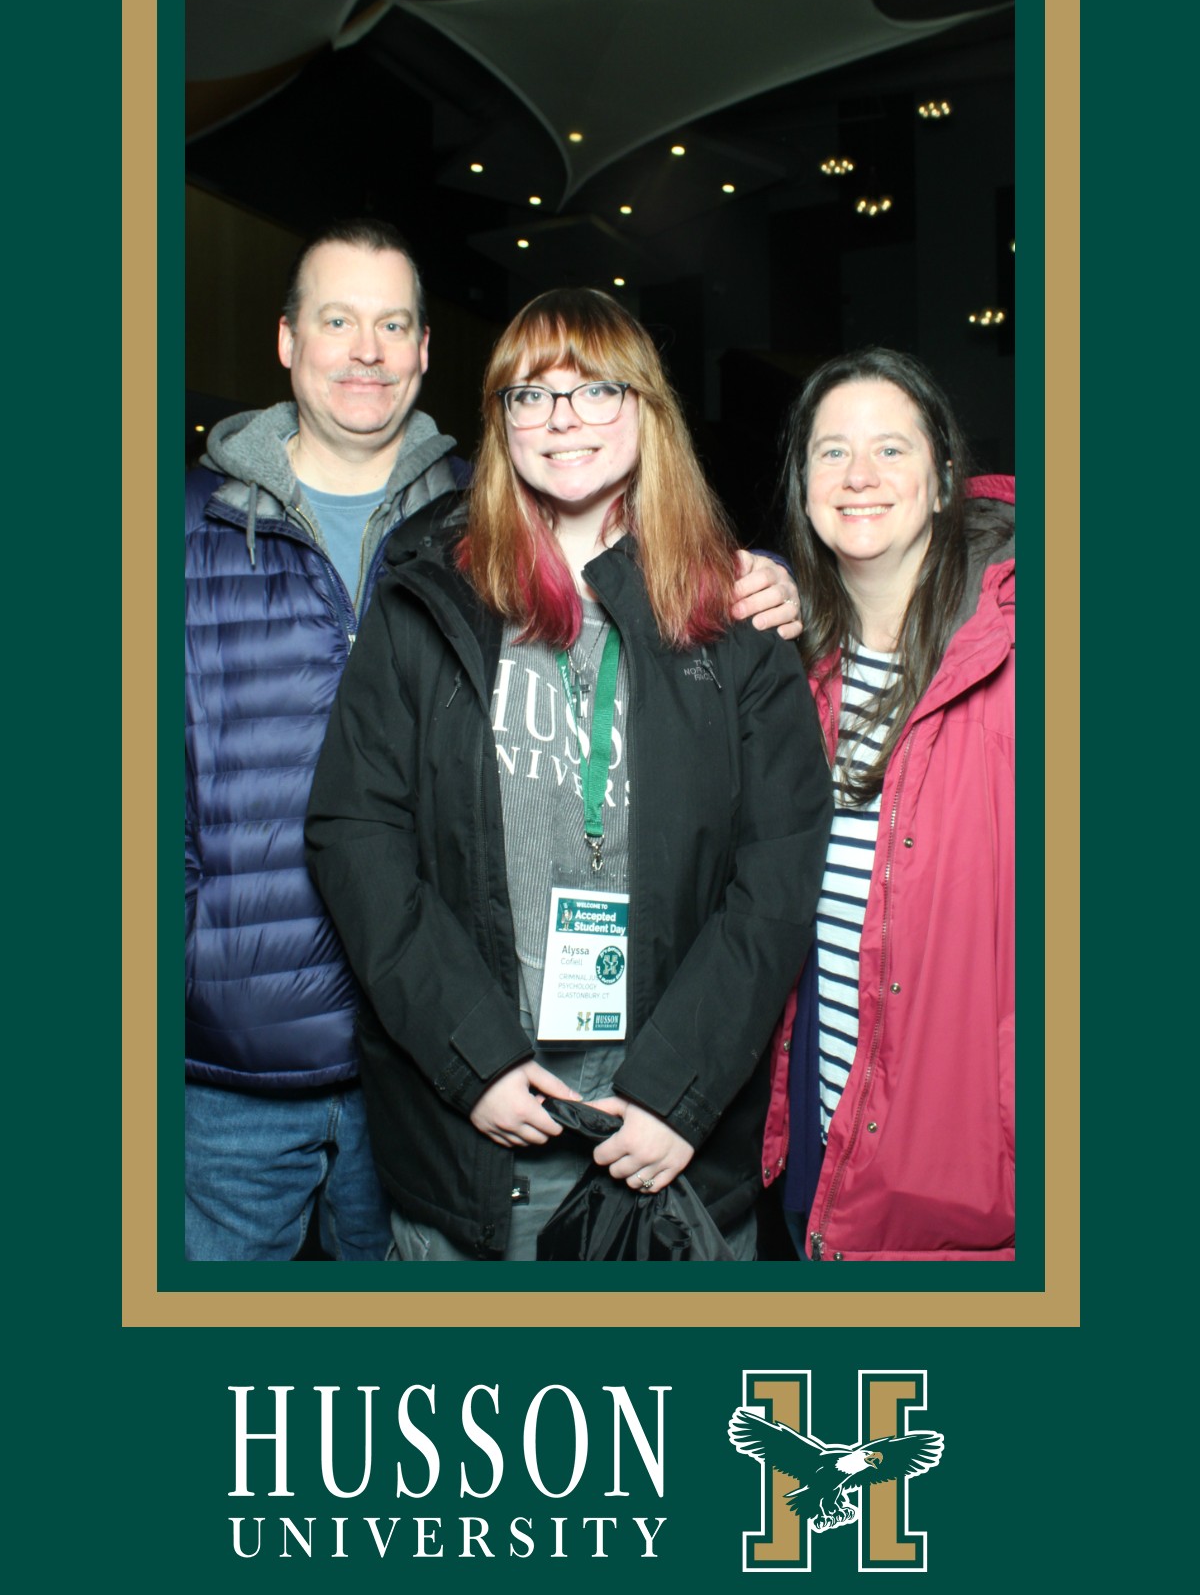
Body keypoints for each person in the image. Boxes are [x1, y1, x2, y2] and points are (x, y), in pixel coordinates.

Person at [185, 223, 806, 1262]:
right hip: (467, 1129)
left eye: (596, 390)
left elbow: (777, 869)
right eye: (532, 394)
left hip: (664, 1143)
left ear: (647, 409)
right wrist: (472, 1062)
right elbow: (357, 830)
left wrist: (679, 1096)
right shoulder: (435, 592)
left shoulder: (732, 614)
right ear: (500, 419)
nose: (564, 419)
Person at [761, 347, 1015, 1261]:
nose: (859, 476)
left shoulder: (1028, 655)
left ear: (946, 479)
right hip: (820, 1161)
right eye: (831, 451)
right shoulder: (796, 672)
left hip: (970, 1198)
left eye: (891, 450)